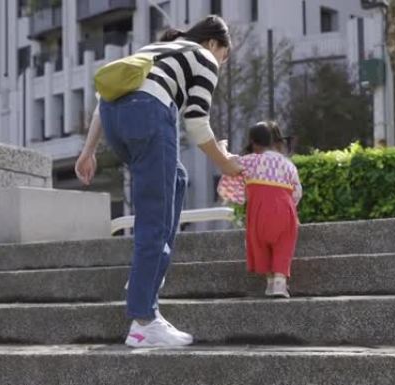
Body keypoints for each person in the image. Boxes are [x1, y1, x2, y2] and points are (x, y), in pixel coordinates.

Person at [75, 15, 241, 348]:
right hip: (148, 114)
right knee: (156, 217)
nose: (221, 63)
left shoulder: (159, 48)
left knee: (176, 180)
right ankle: (143, 321)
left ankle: (143, 280)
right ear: (214, 44)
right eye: (225, 56)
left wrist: (88, 151)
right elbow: (196, 124)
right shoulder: (205, 57)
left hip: (114, 118)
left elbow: (103, 100)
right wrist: (226, 164)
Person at [217, 122, 302, 298]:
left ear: (254, 143)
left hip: (259, 213)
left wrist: (222, 149)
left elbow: (230, 165)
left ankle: (269, 282)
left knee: (260, 245)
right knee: (283, 245)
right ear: (276, 142)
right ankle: (280, 284)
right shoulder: (288, 165)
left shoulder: (249, 161)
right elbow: (297, 193)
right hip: (285, 211)